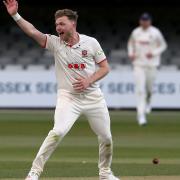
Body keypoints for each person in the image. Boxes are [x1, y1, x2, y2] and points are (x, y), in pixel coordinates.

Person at [3, 0, 120, 179]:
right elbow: (33, 32)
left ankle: (105, 173)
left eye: (62, 23)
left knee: (106, 138)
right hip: (68, 98)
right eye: (56, 24)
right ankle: (34, 172)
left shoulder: (91, 43)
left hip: (93, 97)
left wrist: (89, 80)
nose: (58, 27)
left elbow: (105, 68)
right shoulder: (56, 43)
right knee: (57, 132)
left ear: (73, 23)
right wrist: (15, 15)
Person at [127, 12, 167, 126]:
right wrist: (131, 53)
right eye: (143, 20)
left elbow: (163, 45)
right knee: (140, 90)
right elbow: (130, 44)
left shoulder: (155, 32)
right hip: (138, 64)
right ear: (140, 21)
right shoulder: (136, 32)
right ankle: (141, 116)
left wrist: (153, 53)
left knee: (149, 90)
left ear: (150, 21)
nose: (145, 22)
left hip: (152, 65)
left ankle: (148, 102)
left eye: (147, 20)